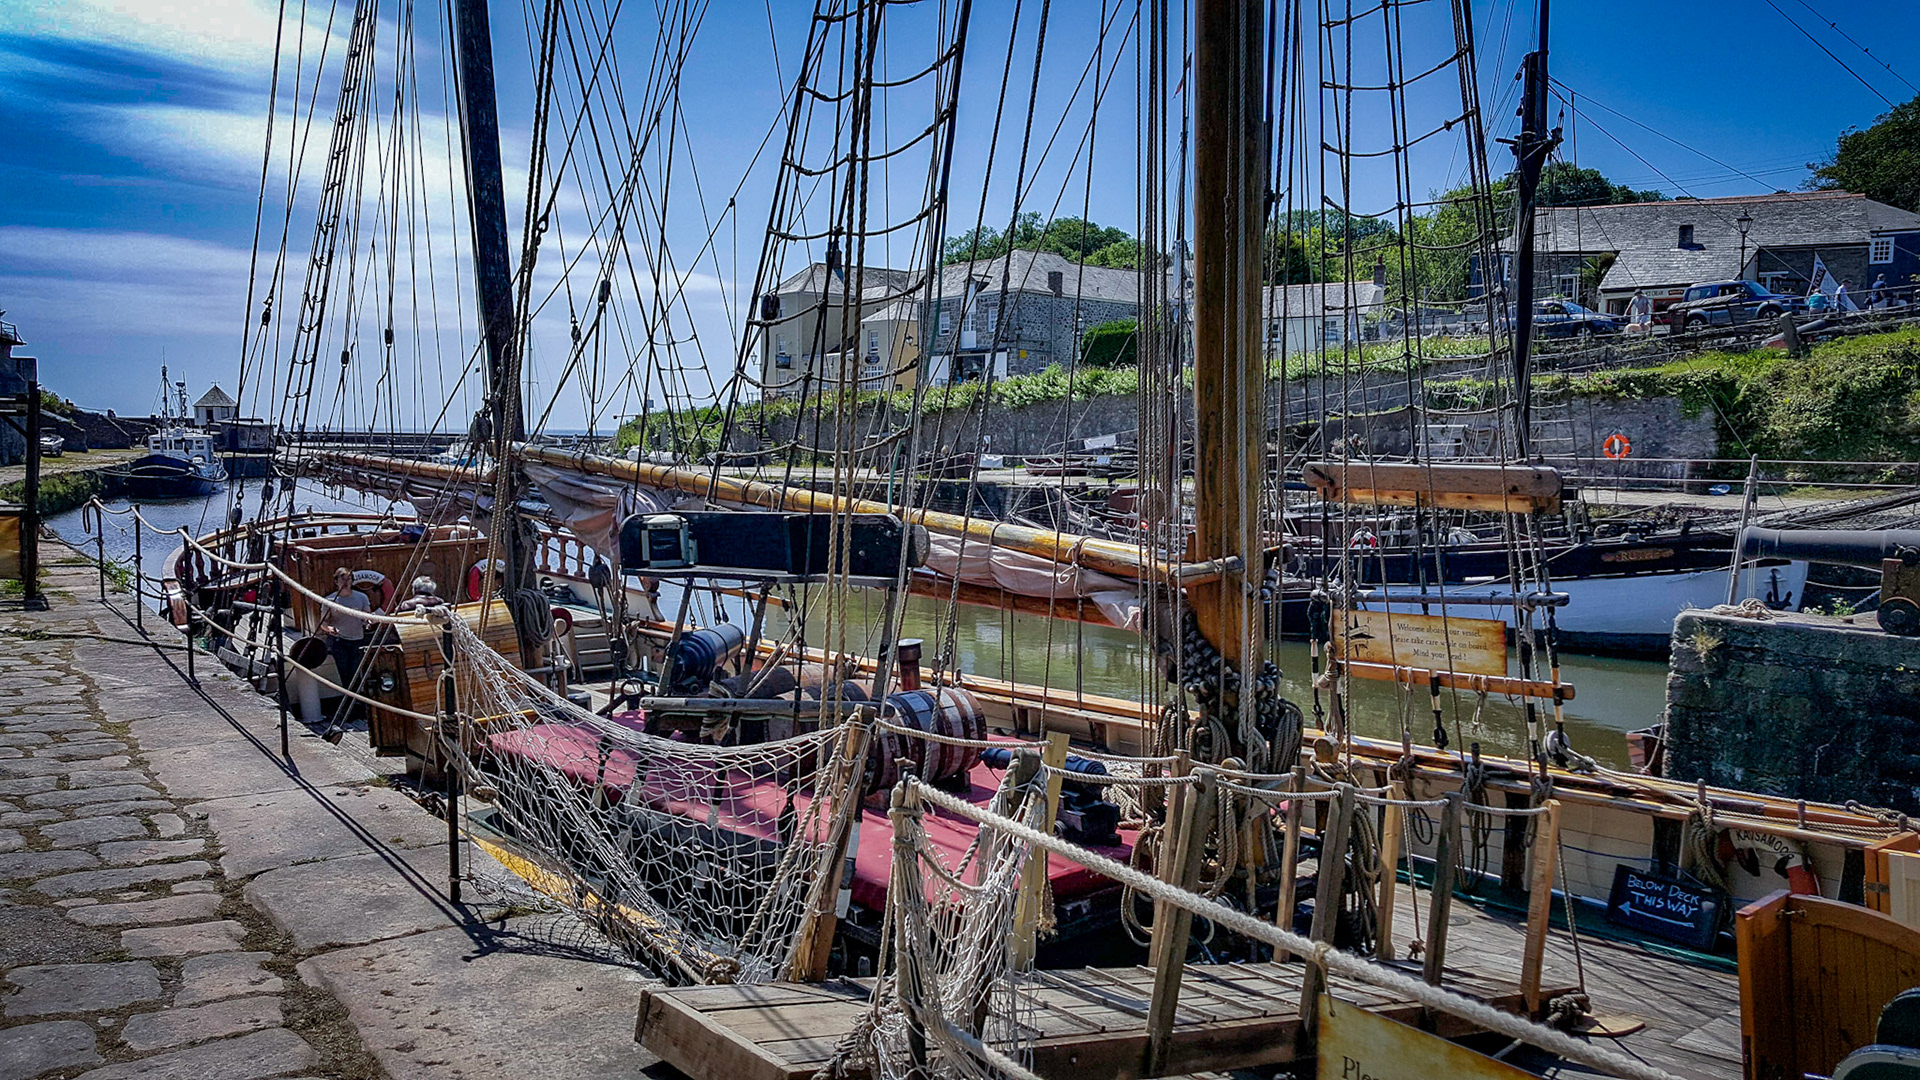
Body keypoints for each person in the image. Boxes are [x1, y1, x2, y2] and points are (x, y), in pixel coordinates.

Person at [320, 567, 371, 690]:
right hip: (339, 642)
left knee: (357, 673)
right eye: (342, 579)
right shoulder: (330, 600)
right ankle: (350, 699)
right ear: (336, 581)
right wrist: (329, 629)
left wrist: (368, 622)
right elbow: (323, 623)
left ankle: (359, 699)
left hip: (358, 640)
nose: (346, 582)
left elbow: (368, 616)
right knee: (345, 675)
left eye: (348, 579)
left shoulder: (362, 597)